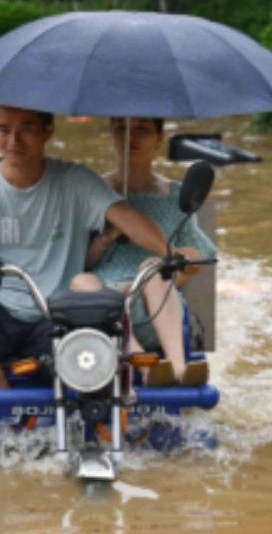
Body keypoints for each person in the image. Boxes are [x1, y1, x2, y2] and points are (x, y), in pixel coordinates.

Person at [0, 105, 201, 390]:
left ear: (48, 131)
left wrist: (169, 252)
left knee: (91, 350)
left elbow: (128, 218)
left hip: (54, 316)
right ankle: (0, 401)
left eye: (26, 128)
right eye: (3, 129)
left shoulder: (75, 179)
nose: (13, 140)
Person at [74, 117, 216, 386]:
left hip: (158, 303)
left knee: (151, 266)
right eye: (121, 128)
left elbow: (195, 258)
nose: (131, 137)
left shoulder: (175, 195)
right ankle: (144, 365)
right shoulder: (92, 192)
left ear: (160, 138)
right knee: (80, 281)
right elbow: (79, 263)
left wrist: (154, 277)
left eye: (142, 130)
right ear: (111, 133)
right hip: (103, 304)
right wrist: (108, 236)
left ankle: (178, 368)